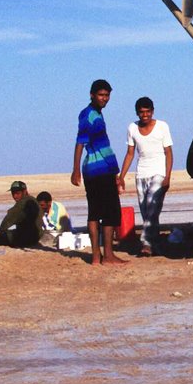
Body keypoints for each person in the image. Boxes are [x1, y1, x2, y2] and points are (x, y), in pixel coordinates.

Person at [71, 79, 128, 266]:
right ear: (92, 95)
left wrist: (78, 169)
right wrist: (115, 171)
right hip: (101, 169)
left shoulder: (87, 114)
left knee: (94, 213)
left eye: (107, 95)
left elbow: (81, 142)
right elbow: (87, 144)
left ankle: (96, 257)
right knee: (110, 212)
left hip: (90, 170)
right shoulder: (92, 116)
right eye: (101, 95)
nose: (105, 99)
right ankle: (108, 256)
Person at [118, 96, 173, 256]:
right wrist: (122, 176)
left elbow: (169, 153)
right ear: (137, 113)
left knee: (152, 205)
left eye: (148, 112)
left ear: (152, 111)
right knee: (147, 212)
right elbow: (130, 153)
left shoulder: (162, 126)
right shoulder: (132, 128)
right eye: (142, 112)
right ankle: (155, 245)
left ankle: (145, 242)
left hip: (159, 172)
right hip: (141, 174)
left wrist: (167, 176)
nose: (145, 115)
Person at [0, 181, 43, 248]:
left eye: (18, 193)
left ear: (24, 191)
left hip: (28, 238)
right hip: (38, 234)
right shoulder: (33, 199)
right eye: (13, 194)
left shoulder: (22, 202)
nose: (15, 196)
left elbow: (9, 219)